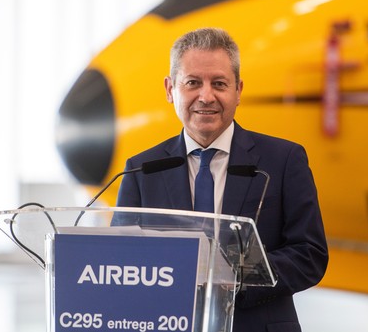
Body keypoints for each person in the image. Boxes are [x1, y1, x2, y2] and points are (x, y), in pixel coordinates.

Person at [116, 27, 328, 332]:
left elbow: (310, 254)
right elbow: (122, 262)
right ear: (170, 89)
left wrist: (234, 281)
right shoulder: (141, 169)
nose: (206, 96)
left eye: (219, 83)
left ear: (238, 91)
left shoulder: (283, 160)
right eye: (192, 83)